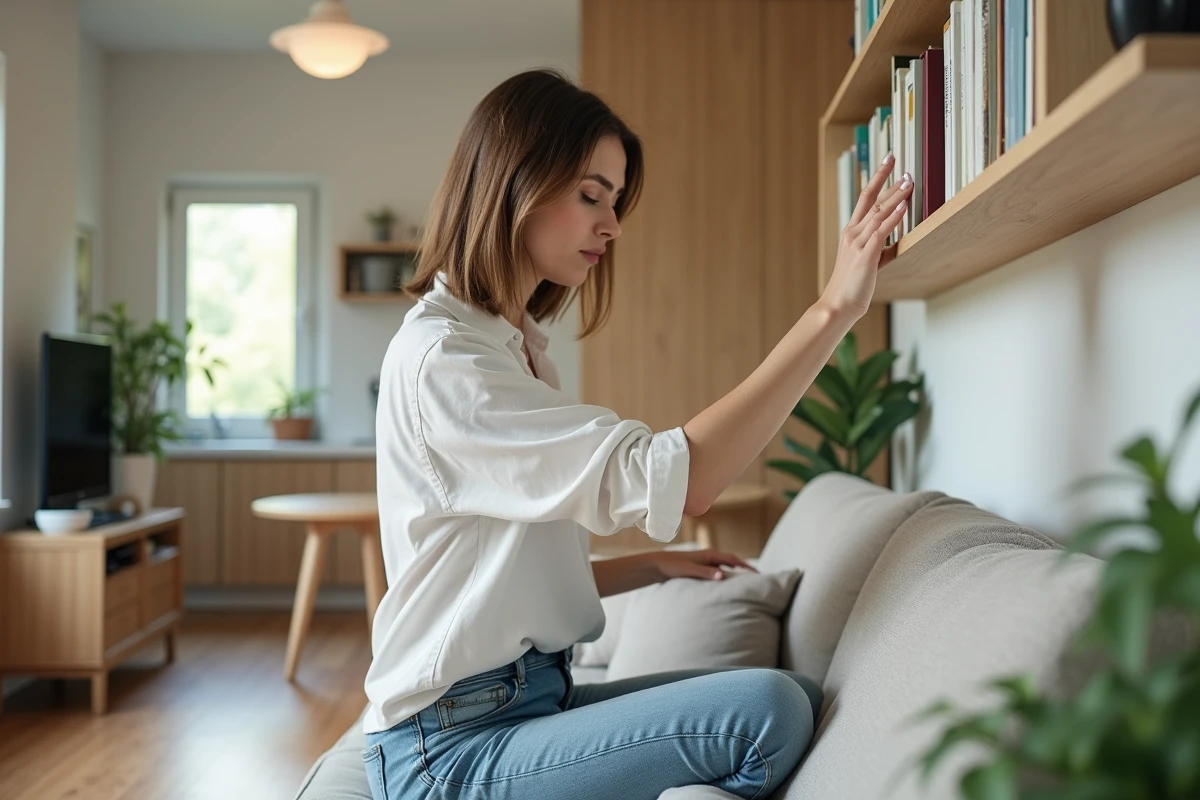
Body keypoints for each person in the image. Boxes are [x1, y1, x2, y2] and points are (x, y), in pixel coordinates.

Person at [362, 68, 912, 800]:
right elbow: (686, 476)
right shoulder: (449, 364)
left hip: (515, 705)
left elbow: (492, 586)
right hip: (448, 748)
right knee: (765, 714)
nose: (612, 226)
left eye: (615, 202)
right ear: (512, 183)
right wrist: (833, 310)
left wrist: (648, 567)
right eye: (591, 195)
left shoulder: (510, 347)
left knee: (786, 694)